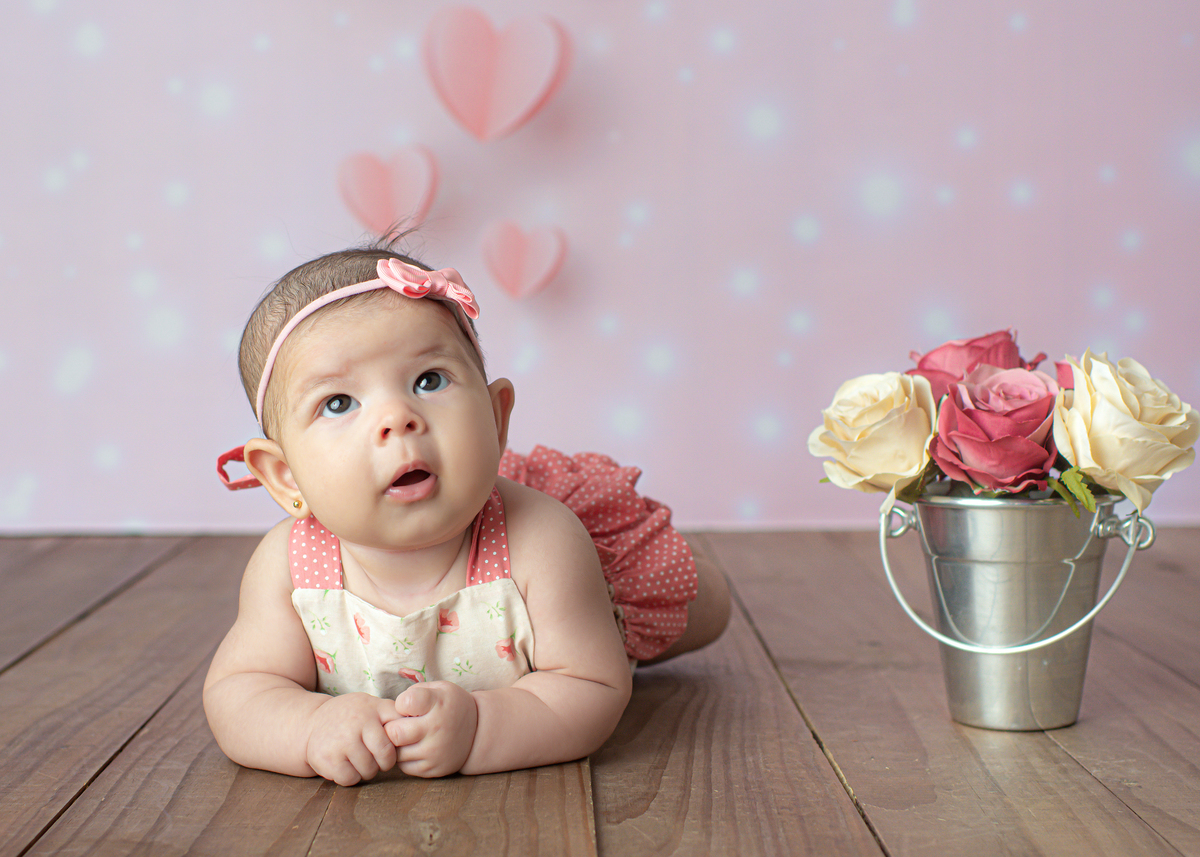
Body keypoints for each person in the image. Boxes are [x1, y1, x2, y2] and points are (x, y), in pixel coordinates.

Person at [204, 243, 730, 785]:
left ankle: (695, 587)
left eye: (429, 380)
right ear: (285, 476)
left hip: (590, 601)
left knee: (707, 606)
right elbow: (240, 691)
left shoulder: (542, 539)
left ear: (497, 419)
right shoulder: (290, 567)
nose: (398, 418)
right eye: (339, 402)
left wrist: (481, 726)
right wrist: (310, 726)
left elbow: (591, 686)